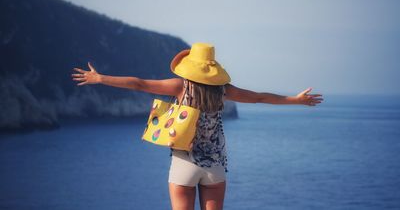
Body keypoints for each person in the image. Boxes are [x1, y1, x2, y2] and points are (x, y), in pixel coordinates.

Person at [71, 42, 323, 210]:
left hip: (184, 164)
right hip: (214, 166)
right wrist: (297, 100)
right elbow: (260, 97)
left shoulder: (180, 86)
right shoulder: (224, 90)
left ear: (190, 66)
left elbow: (138, 84)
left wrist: (100, 78)